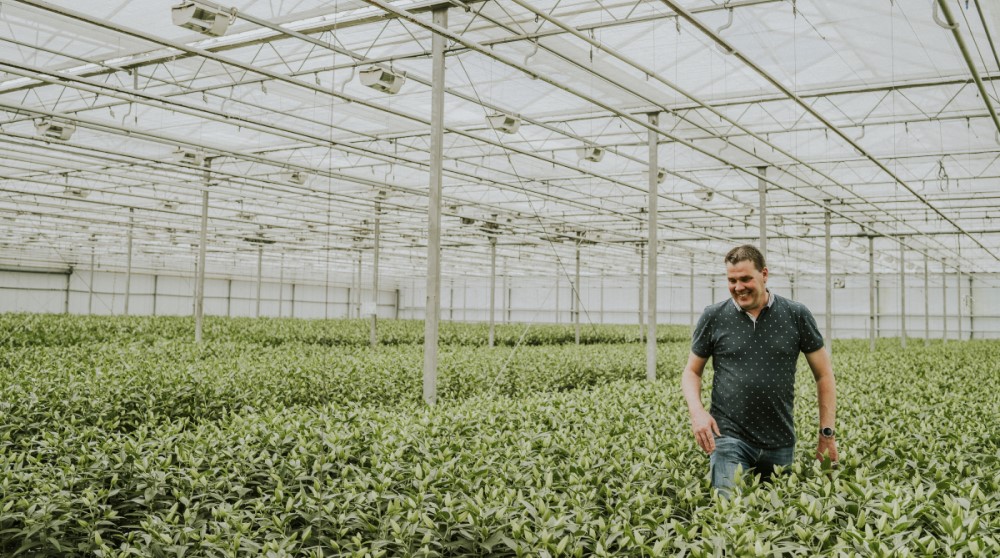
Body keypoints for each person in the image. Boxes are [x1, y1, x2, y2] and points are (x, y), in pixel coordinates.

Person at [681, 245, 837, 496]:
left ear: (764, 275)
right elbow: (692, 372)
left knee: (776, 514)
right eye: (732, 280)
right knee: (730, 511)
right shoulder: (714, 316)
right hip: (728, 437)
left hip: (780, 441)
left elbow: (824, 374)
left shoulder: (796, 315)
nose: (738, 287)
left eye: (745, 279)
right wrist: (697, 412)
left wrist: (826, 435)